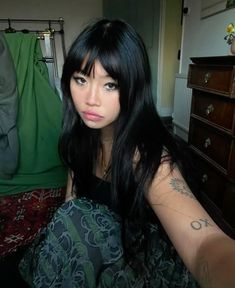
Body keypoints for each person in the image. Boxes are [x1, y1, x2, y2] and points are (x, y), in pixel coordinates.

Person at [19, 18, 235, 288]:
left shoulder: (147, 156)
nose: (91, 99)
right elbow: (71, 199)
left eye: (111, 85)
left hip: (144, 261)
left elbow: (204, 242)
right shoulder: (79, 135)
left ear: (134, 88)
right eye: (81, 79)